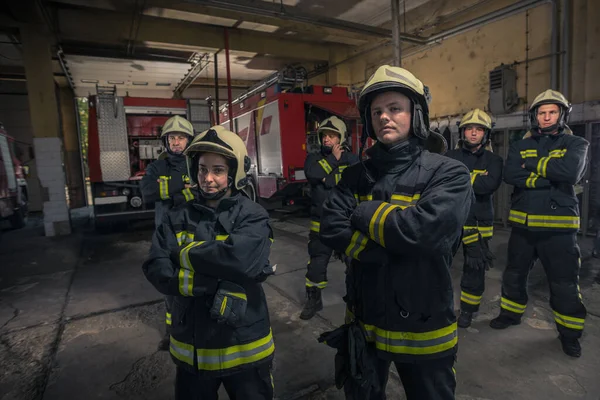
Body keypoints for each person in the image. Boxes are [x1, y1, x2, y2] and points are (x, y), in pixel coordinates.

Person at [319, 65, 473, 400]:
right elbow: (330, 225)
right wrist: (393, 249)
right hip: (365, 322)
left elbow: (424, 232)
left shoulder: (449, 173)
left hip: (424, 327)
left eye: (395, 109)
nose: (385, 117)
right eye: (377, 111)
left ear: (416, 115)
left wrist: (363, 212)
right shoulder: (355, 175)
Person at [142, 125, 276, 399]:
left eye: (218, 170)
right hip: (192, 352)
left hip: (244, 348)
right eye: (202, 169)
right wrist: (215, 279)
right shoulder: (176, 216)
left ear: (234, 173)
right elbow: (156, 267)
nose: (208, 178)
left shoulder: (253, 215)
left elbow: (241, 260)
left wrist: (182, 255)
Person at [489, 89, 588, 358]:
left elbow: (570, 172)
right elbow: (511, 175)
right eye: (542, 112)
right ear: (535, 115)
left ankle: (569, 334)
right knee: (514, 274)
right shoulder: (521, 144)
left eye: (552, 112)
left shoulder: (576, 144)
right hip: (523, 226)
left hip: (559, 230)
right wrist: (549, 175)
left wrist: (531, 167)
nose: (546, 117)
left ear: (562, 114)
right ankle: (510, 314)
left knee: (564, 283)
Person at [141, 115, 195, 351]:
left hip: (193, 235)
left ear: (188, 141)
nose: (176, 142)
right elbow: (148, 192)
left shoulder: (195, 165)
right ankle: (171, 333)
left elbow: (202, 191)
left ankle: (196, 328)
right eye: (172, 137)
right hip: (167, 237)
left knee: (196, 284)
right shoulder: (156, 166)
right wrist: (179, 190)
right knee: (171, 286)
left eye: (181, 138)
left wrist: (171, 192)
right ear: (166, 141)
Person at [445, 109, 503, 328]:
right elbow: (443, 184)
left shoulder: (494, 160)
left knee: (474, 269)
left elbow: (489, 185)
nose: (473, 133)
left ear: (485, 134)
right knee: (439, 264)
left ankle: (468, 311)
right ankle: (437, 304)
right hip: (451, 220)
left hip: (478, 225)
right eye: (469, 128)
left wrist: (460, 181)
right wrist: (474, 179)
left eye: (479, 129)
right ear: (462, 132)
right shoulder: (450, 156)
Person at [301, 116, 359, 320]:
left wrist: (327, 179)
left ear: (340, 137)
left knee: (355, 264)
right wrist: (333, 161)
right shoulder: (313, 158)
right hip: (321, 224)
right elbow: (313, 173)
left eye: (332, 135)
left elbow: (351, 183)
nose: (326, 139)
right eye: (324, 135)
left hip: (346, 222)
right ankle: (313, 301)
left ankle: (356, 298)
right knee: (316, 265)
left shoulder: (353, 159)